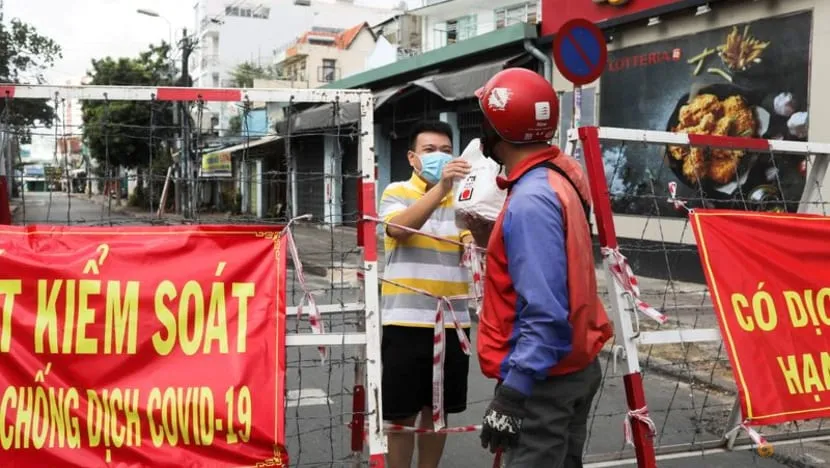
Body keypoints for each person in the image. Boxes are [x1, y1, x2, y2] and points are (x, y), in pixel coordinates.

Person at [474, 68, 614, 467]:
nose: (481, 128)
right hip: (573, 365)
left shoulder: (530, 201)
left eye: (485, 118)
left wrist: (514, 392)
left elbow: (545, 309)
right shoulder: (560, 173)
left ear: (500, 127)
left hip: (544, 381)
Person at [377, 120, 474, 468]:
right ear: (412, 158)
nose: (439, 156)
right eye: (429, 150)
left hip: (453, 326)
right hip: (405, 322)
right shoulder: (396, 191)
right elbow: (398, 229)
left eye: (446, 150)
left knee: (438, 416)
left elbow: (480, 245)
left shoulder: (466, 197)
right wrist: (442, 187)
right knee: (400, 418)